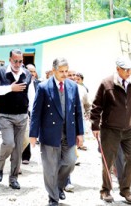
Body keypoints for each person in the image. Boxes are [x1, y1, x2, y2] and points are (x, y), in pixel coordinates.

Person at [29, 57, 84, 206]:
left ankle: (58, 186)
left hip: (69, 133)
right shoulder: (43, 87)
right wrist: (33, 134)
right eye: (61, 72)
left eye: (66, 71)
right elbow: (36, 112)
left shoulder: (73, 86)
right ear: (54, 71)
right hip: (50, 133)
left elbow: (78, 111)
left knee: (70, 162)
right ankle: (53, 198)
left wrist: (80, 133)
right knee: (50, 168)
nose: (65, 74)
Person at [90, 56, 131, 204]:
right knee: (108, 160)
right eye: (125, 69)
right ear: (117, 69)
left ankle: (125, 189)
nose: (128, 72)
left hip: (128, 129)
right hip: (109, 129)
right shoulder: (106, 83)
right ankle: (105, 190)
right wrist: (95, 125)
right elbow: (96, 106)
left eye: (130, 69)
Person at [0, 49, 32, 190]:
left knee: (18, 150)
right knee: (9, 143)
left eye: (20, 61)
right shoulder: (0, 72)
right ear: (9, 60)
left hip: (22, 116)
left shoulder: (27, 74)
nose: (18, 64)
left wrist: (30, 113)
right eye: (15, 61)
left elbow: (32, 96)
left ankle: (13, 178)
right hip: (5, 115)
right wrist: (10, 88)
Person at [21, 64, 40, 165]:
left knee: (30, 134)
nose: (32, 73)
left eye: (33, 71)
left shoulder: (39, 84)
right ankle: (25, 155)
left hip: (35, 112)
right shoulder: (22, 83)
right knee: (24, 134)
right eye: (30, 71)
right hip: (24, 111)